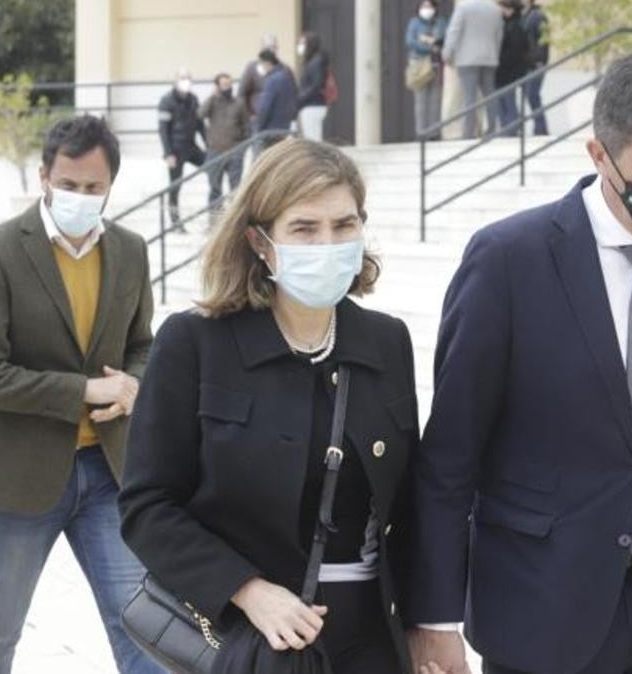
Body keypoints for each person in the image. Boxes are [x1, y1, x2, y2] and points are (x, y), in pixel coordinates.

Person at [406, 53, 632, 674]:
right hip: (543, 604)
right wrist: (435, 617)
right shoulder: (509, 259)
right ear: (599, 154)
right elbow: (451, 454)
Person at [119, 138, 418, 673]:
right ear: (260, 242)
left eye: (344, 225)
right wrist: (247, 590)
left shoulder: (386, 341)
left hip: (374, 637)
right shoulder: (194, 342)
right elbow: (147, 506)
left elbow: (411, 502)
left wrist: (426, 625)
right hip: (258, 640)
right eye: (305, 228)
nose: (328, 243)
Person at [0, 115, 159, 674]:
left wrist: (134, 384)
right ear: (44, 176)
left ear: (111, 185)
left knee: (145, 632)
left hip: (109, 474)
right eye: (68, 184)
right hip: (19, 480)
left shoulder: (131, 250)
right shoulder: (0, 251)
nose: (80, 197)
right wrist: (85, 390)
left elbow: (142, 344)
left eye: (93, 188)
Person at [443, 0, 504, 139]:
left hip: (466, 58)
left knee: (469, 97)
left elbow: (454, 31)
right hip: (489, 57)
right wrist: (495, 53)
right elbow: (499, 34)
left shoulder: (463, 6)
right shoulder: (494, 8)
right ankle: (492, 129)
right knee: (489, 95)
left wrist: (447, 53)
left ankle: (468, 133)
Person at [158, 68, 207, 234]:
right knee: (175, 187)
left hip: (192, 147)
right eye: (182, 78)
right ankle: (175, 221)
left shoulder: (193, 100)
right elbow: (163, 130)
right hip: (175, 151)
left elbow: (200, 125)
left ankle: (215, 215)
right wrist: (168, 153)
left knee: (214, 168)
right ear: (175, 80)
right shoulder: (166, 101)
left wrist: (209, 146)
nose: (185, 81)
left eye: (188, 78)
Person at [200, 72, 251, 221]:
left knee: (235, 190)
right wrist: (212, 96)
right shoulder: (212, 102)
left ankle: (235, 223)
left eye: (229, 84)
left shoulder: (239, 103)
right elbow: (200, 114)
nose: (227, 88)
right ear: (217, 86)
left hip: (235, 152)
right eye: (223, 85)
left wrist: (241, 150)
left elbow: (247, 127)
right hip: (215, 152)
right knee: (215, 189)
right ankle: (214, 221)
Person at [406, 0, 448, 141]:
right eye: (423, 6)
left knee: (436, 99)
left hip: (436, 64)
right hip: (419, 63)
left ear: (435, 8)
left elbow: (443, 38)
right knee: (420, 100)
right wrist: (429, 47)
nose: (426, 9)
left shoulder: (441, 22)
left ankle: (434, 132)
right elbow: (410, 41)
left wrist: (427, 41)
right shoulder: (414, 23)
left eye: (429, 6)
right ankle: (421, 132)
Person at [239, 33, 296, 126]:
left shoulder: (285, 69)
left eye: (274, 47)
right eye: (268, 47)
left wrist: (291, 114)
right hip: (257, 118)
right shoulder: (252, 68)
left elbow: (293, 94)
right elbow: (241, 94)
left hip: (279, 121)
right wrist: (248, 116)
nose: (271, 50)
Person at [494, 0, 530, 137]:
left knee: (508, 101)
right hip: (503, 70)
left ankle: (511, 130)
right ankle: (506, 130)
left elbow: (515, 51)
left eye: (503, 8)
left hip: (508, 71)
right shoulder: (507, 24)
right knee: (501, 102)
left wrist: (500, 60)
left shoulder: (515, 26)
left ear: (510, 10)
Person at [515, 0, 549, 136]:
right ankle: (531, 128)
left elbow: (544, 41)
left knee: (532, 95)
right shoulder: (520, 16)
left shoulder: (538, 16)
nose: (516, 0)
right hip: (523, 64)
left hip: (536, 63)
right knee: (526, 96)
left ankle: (541, 129)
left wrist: (540, 60)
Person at [255, 48, 298, 150]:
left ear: (267, 62)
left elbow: (265, 106)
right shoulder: (286, 76)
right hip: (284, 127)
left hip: (270, 129)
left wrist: (259, 126)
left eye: (261, 63)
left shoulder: (272, 80)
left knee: (265, 159)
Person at [297, 32, 331, 142]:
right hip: (312, 105)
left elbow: (317, 84)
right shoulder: (313, 61)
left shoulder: (316, 62)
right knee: (312, 139)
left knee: (313, 140)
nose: (300, 46)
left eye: (302, 43)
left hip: (313, 106)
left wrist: (301, 98)